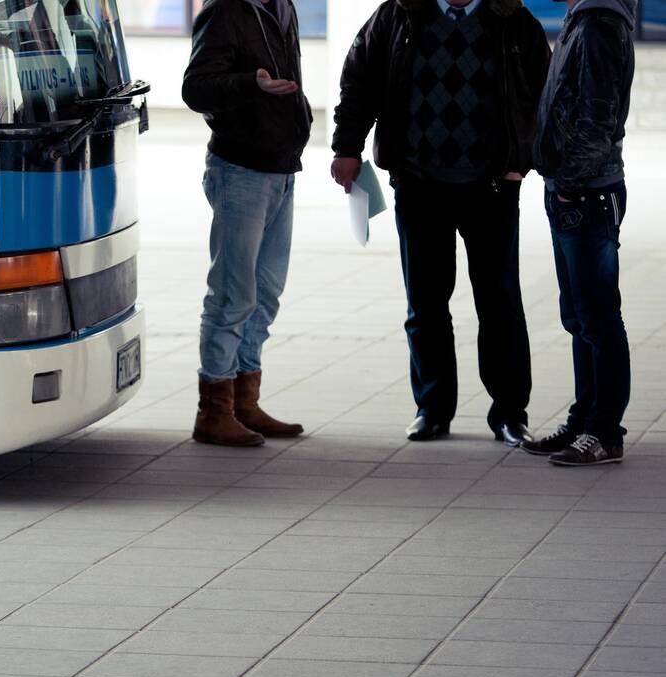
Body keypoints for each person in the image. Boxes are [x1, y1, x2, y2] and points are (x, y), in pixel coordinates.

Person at [331, 0, 550, 445]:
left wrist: (521, 161)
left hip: (491, 186)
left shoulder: (512, 19)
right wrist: (346, 147)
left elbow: (541, 94)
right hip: (418, 182)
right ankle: (432, 408)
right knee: (426, 303)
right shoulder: (398, 14)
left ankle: (510, 413)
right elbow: (359, 79)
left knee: (500, 302)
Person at [182, 0, 312, 447]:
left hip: (280, 167)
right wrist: (250, 84)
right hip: (240, 171)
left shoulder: (282, 9)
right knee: (233, 293)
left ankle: (243, 401)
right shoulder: (226, 11)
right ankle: (213, 410)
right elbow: (196, 88)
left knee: (266, 292)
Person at [522, 0, 636, 467]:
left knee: (599, 318)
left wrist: (569, 181)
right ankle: (585, 418)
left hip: (586, 193)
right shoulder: (583, 21)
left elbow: (597, 116)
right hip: (572, 190)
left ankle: (604, 432)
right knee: (580, 317)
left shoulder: (598, 28)